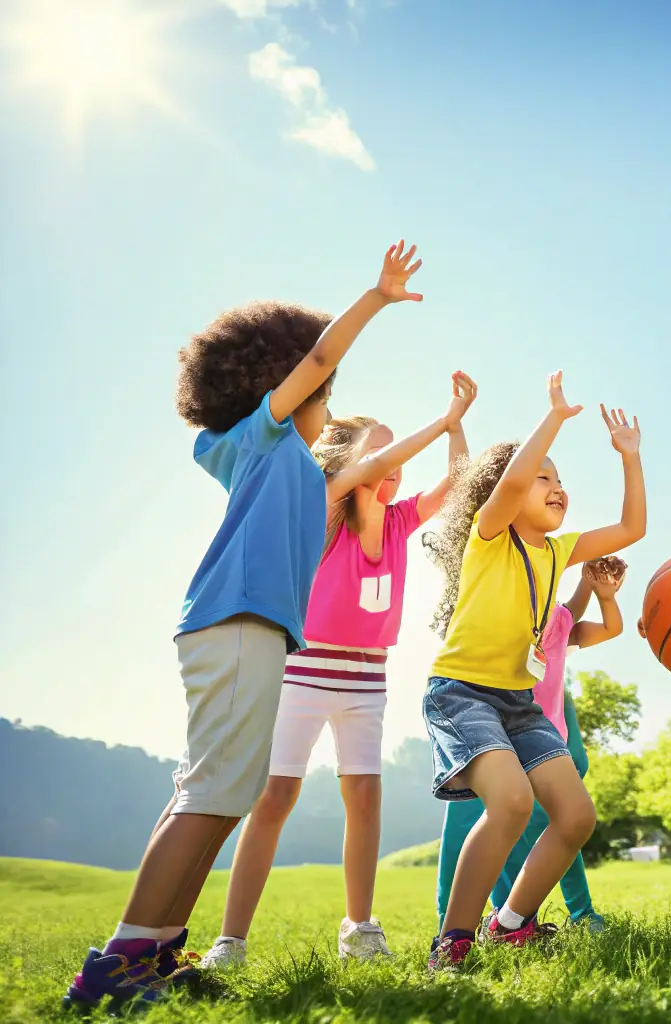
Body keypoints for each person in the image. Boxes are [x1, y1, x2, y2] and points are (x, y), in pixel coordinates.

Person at [63, 242, 424, 1010]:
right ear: (283, 384)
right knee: (212, 793)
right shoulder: (260, 437)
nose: (327, 394)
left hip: (245, 629)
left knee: (219, 790)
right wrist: (376, 297)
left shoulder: (271, 453)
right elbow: (320, 353)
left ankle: (155, 950)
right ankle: (120, 962)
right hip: (238, 625)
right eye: (319, 385)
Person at [199, 371, 478, 970]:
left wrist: (456, 422)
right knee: (275, 797)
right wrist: (435, 425)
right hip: (303, 671)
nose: (393, 466)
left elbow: (456, 484)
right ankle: (231, 940)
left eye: (396, 455)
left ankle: (359, 927)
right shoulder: (321, 509)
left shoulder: (401, 521)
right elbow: (368, 472)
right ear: (345, 463)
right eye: (379, 452)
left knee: (366, 799)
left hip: (366, 681)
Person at [425, 374, 645, 971]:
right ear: (507, 489)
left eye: (561, 479)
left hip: (518, 702)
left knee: (576, 817)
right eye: (542, 477)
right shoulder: (489, 536)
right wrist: (553, 419)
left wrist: (630, 457)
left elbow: (631, 530)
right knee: (513, 802)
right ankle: (453, 940)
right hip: (461, 694)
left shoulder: (558, 549)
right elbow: (515, 478)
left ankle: (510, 924)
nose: (556, 487)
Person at [433, 557, 627, 934]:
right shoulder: (493, 611)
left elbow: (581, 616)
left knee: (560, 818)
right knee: (469, 825)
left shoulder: (556, 623)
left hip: (539, 740)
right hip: (487, 735)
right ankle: (451, 927)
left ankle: (522, 918)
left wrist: (593, 585)